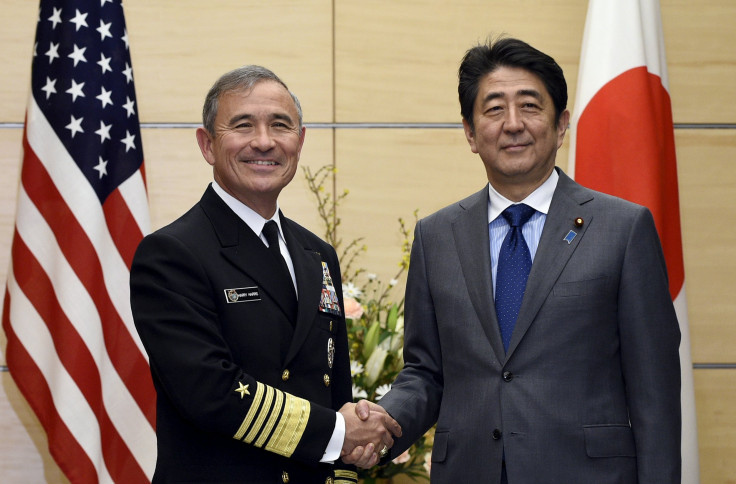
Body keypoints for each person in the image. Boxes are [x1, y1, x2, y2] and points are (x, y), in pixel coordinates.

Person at [350, 37, 682, 483]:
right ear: (470, 132)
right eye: (493, 109)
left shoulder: (622, 229)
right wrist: (382, 424)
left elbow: (654, 392)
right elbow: (425, 373)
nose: (512, 124)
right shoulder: (437, 236)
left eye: (529, 106)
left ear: (561, 124)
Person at [130, 65, 400, 483]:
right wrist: (339, 432)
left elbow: (334, 390)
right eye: (242, 125)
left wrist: (352, 444)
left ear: (300, 140)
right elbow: (211, 393)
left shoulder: (317, 254)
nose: (264, 141)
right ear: (207, 145)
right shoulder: (172, 253)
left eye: (280, 125)